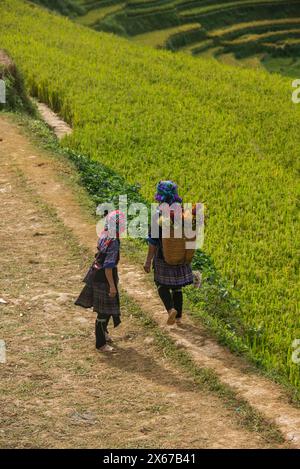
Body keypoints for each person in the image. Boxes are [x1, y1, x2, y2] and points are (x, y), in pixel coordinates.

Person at [144, 181, 193, 326]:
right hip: (180, 255)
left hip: (163, 255)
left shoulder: (158, 214)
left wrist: (148, 261)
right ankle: (178, 318)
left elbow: (153, 241)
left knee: (160, 283)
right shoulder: (184, 211)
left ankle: (171, 309)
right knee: (177, 286)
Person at [75, 210, 125, 353]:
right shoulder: (114, 242)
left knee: (106, 310)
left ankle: (104, 333)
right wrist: (112, 286)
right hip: (104, 277)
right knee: (104, 312)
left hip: (97, 274)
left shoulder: (104, 234)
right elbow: (108, 267)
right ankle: (100, 343)